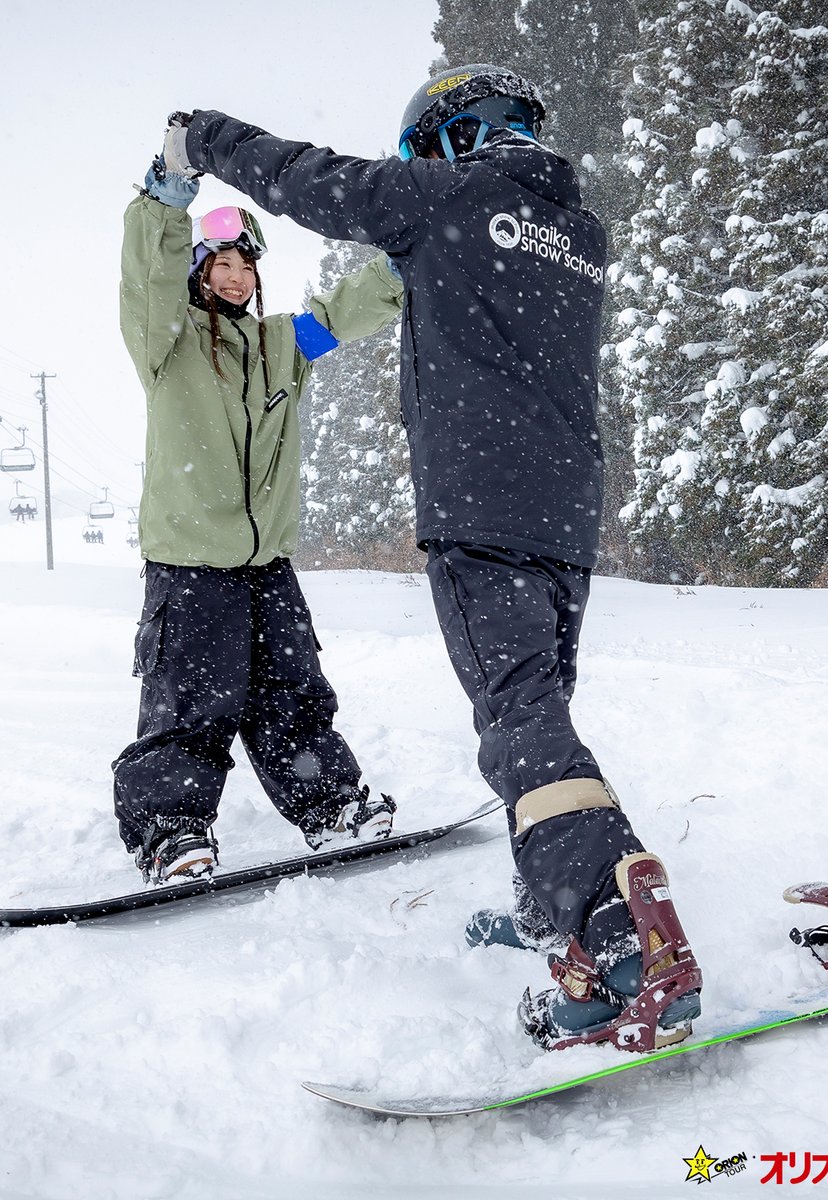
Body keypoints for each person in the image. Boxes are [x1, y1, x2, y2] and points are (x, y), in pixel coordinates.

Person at [161, 66, 702, 1052]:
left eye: (421, 151)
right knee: (537, 709)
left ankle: (618, 927)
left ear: (455, 139)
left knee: (518, 720)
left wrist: (204, 138)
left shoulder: (452, 194)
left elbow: (307, 178)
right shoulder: (577, 230)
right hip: (563, 514)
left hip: (481, 510)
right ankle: (554, 918)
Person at [114, 146, 403, 885]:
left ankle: (331, 804)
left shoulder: (284, 346)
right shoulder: (167, 343)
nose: (237, 277)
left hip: (267, 566)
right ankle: (170, 831)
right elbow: (146, 285)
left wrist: (405, 265)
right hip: (191, 564)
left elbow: (340, 314)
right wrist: (166, 202)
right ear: (198, 270)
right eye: (222, 264)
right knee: (190, 704)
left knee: (294, 693)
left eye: (246, 264)